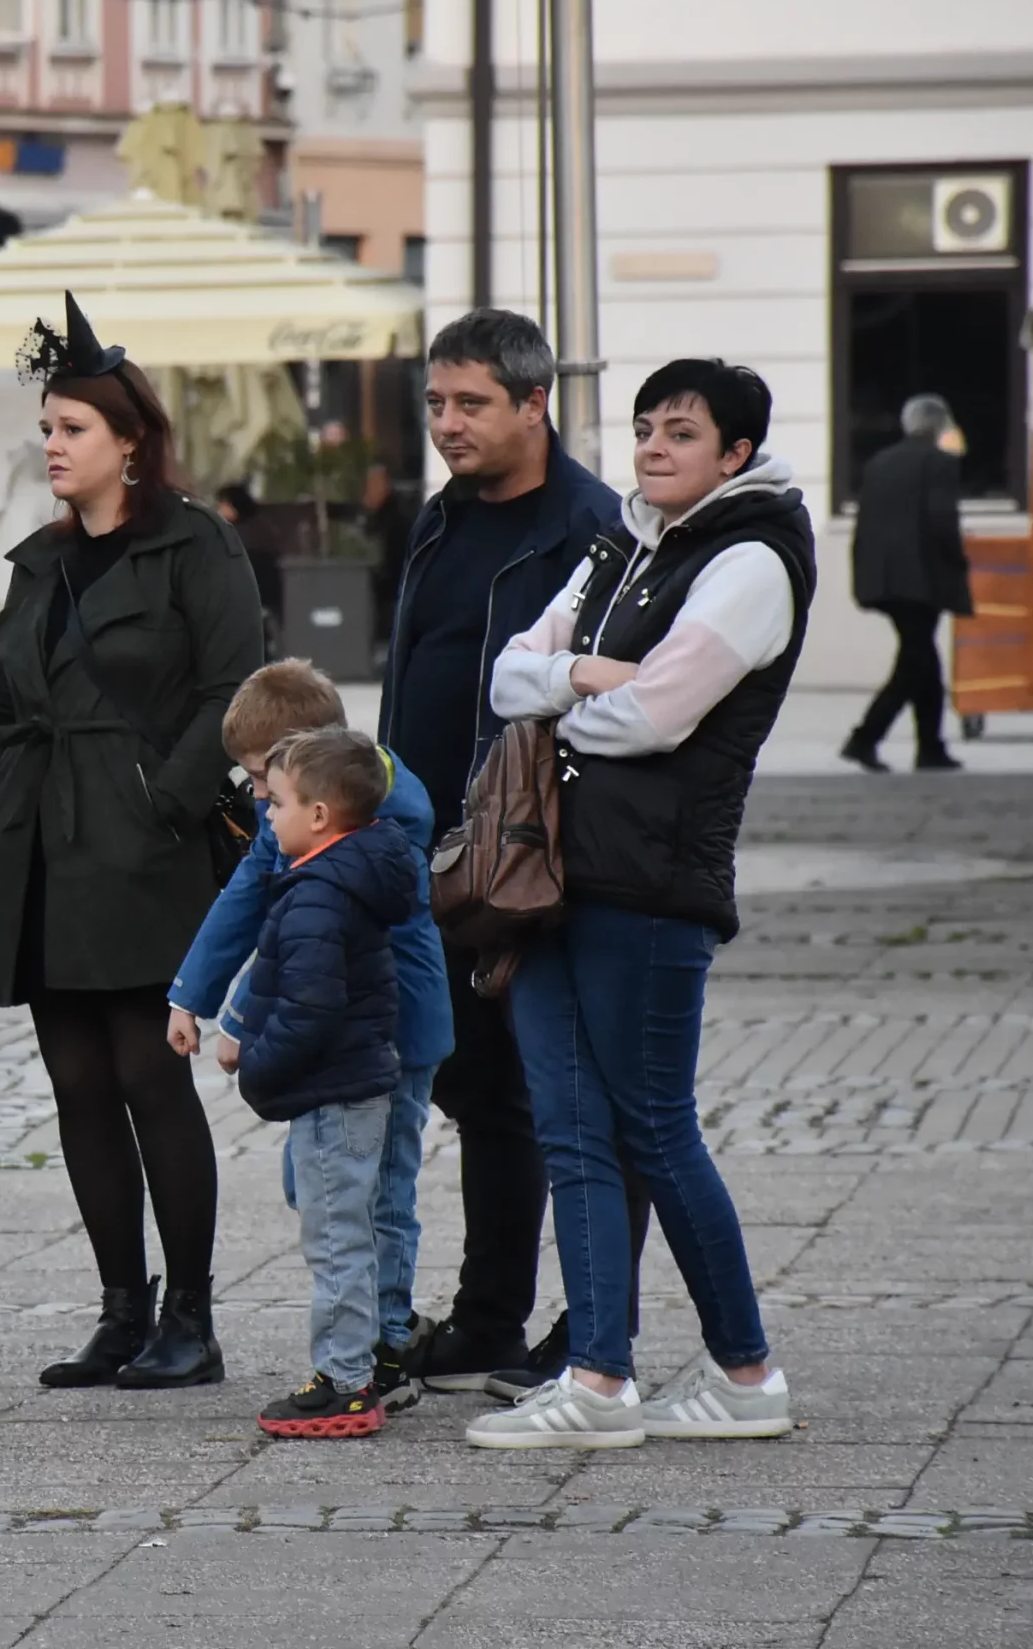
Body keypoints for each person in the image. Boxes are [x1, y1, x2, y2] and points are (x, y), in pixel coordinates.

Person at [469, 358, 808, 1450]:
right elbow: (509, 676)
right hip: (555, 875)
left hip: (655, 882)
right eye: (645, 428)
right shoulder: (621, 543)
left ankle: (746, 1370)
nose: (654, 447)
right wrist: (585, 677)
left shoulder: (750, 558)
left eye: (682, 433)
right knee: (571, 1129)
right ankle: (597, 1379)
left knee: (654, 1129)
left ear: (735, 454)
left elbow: (659, 718)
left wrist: (591, 685)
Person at [0, 293, 267, 1389]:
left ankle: (190, 1318)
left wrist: (167, 804)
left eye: (72, 429)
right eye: (46, 428)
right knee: (77, 1084)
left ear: (130, 443)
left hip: (146, 850)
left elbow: (234, 688)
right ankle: (119, 1309)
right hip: (41, 848)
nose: (51, 445)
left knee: (151, 1076)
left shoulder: (196, 546)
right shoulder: (41, 562)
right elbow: (1, 702)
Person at [382, 309, 648, 1397]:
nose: (447, 423)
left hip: (540, 853)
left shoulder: (594, 528)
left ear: (534, 404)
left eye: (471, 404)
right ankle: (490, 1316)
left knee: (575, 1095)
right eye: (437, 403)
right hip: (436, 853)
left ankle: (590, 1333)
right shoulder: (441, 519)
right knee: (479, 1088)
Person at [167, 660, 452, 1414]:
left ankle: (382, 1342)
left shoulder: (377, 813)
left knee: (379, 1190)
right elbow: (248, 900)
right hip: (344, 1028)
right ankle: (372, 1330)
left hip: (392, 1029)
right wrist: (196, 996)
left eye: (264, 777)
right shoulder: (304, 811)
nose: (257, 795)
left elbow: (299, 928)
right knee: (327, 1187)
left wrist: (249, 1039)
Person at [228, 728, 423, 1440]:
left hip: (332, 1090)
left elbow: (309, 1007)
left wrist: (258, 1064)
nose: (265, 812)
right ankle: (349, 1367)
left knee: (337, 1236)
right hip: (350, 1082)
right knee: (349, 1226)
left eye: (275, 801)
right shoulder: (345, 874)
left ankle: (345, 1381)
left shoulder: (320, 891)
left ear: (318, 815)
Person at [842, 392, 971, 773]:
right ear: (938, 425)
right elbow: (941, 520)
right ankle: (864, 738)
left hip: (883, 578)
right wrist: (958, 563)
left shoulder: (879, 463)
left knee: (922, 657)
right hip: (921, 579)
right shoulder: (939, 463)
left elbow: (865, 525)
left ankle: (930, 748)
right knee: (915, 660)